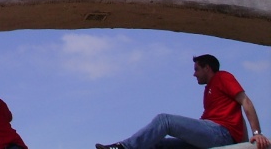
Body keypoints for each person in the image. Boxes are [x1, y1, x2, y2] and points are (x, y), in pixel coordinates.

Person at [95, 54, 269, 149]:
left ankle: (123, 148)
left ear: (207, 68)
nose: (194, 74)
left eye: (197, 69)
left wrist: (256, 134)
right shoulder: (208, 91)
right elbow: (234, 115)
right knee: (155, 144)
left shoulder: (223, 77)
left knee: (165, 120)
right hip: (212, 135)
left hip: (220, 135)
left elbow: (245, 101)